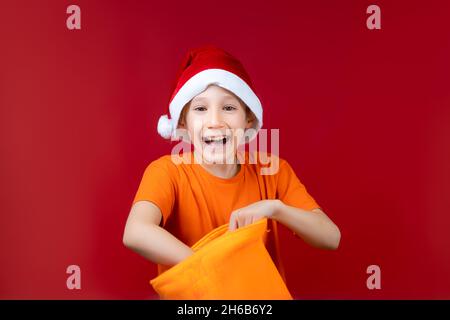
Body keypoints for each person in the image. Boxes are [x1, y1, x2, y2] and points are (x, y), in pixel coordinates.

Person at [122, 45, 341, 286]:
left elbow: (330, 237)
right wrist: (213, 268)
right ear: (183, 122)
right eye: (200, 109)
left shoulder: (272, 169)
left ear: (248, 119)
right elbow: (136, 232)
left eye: (228, 108)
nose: (215, 122)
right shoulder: (167, 172)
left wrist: (275, 209)